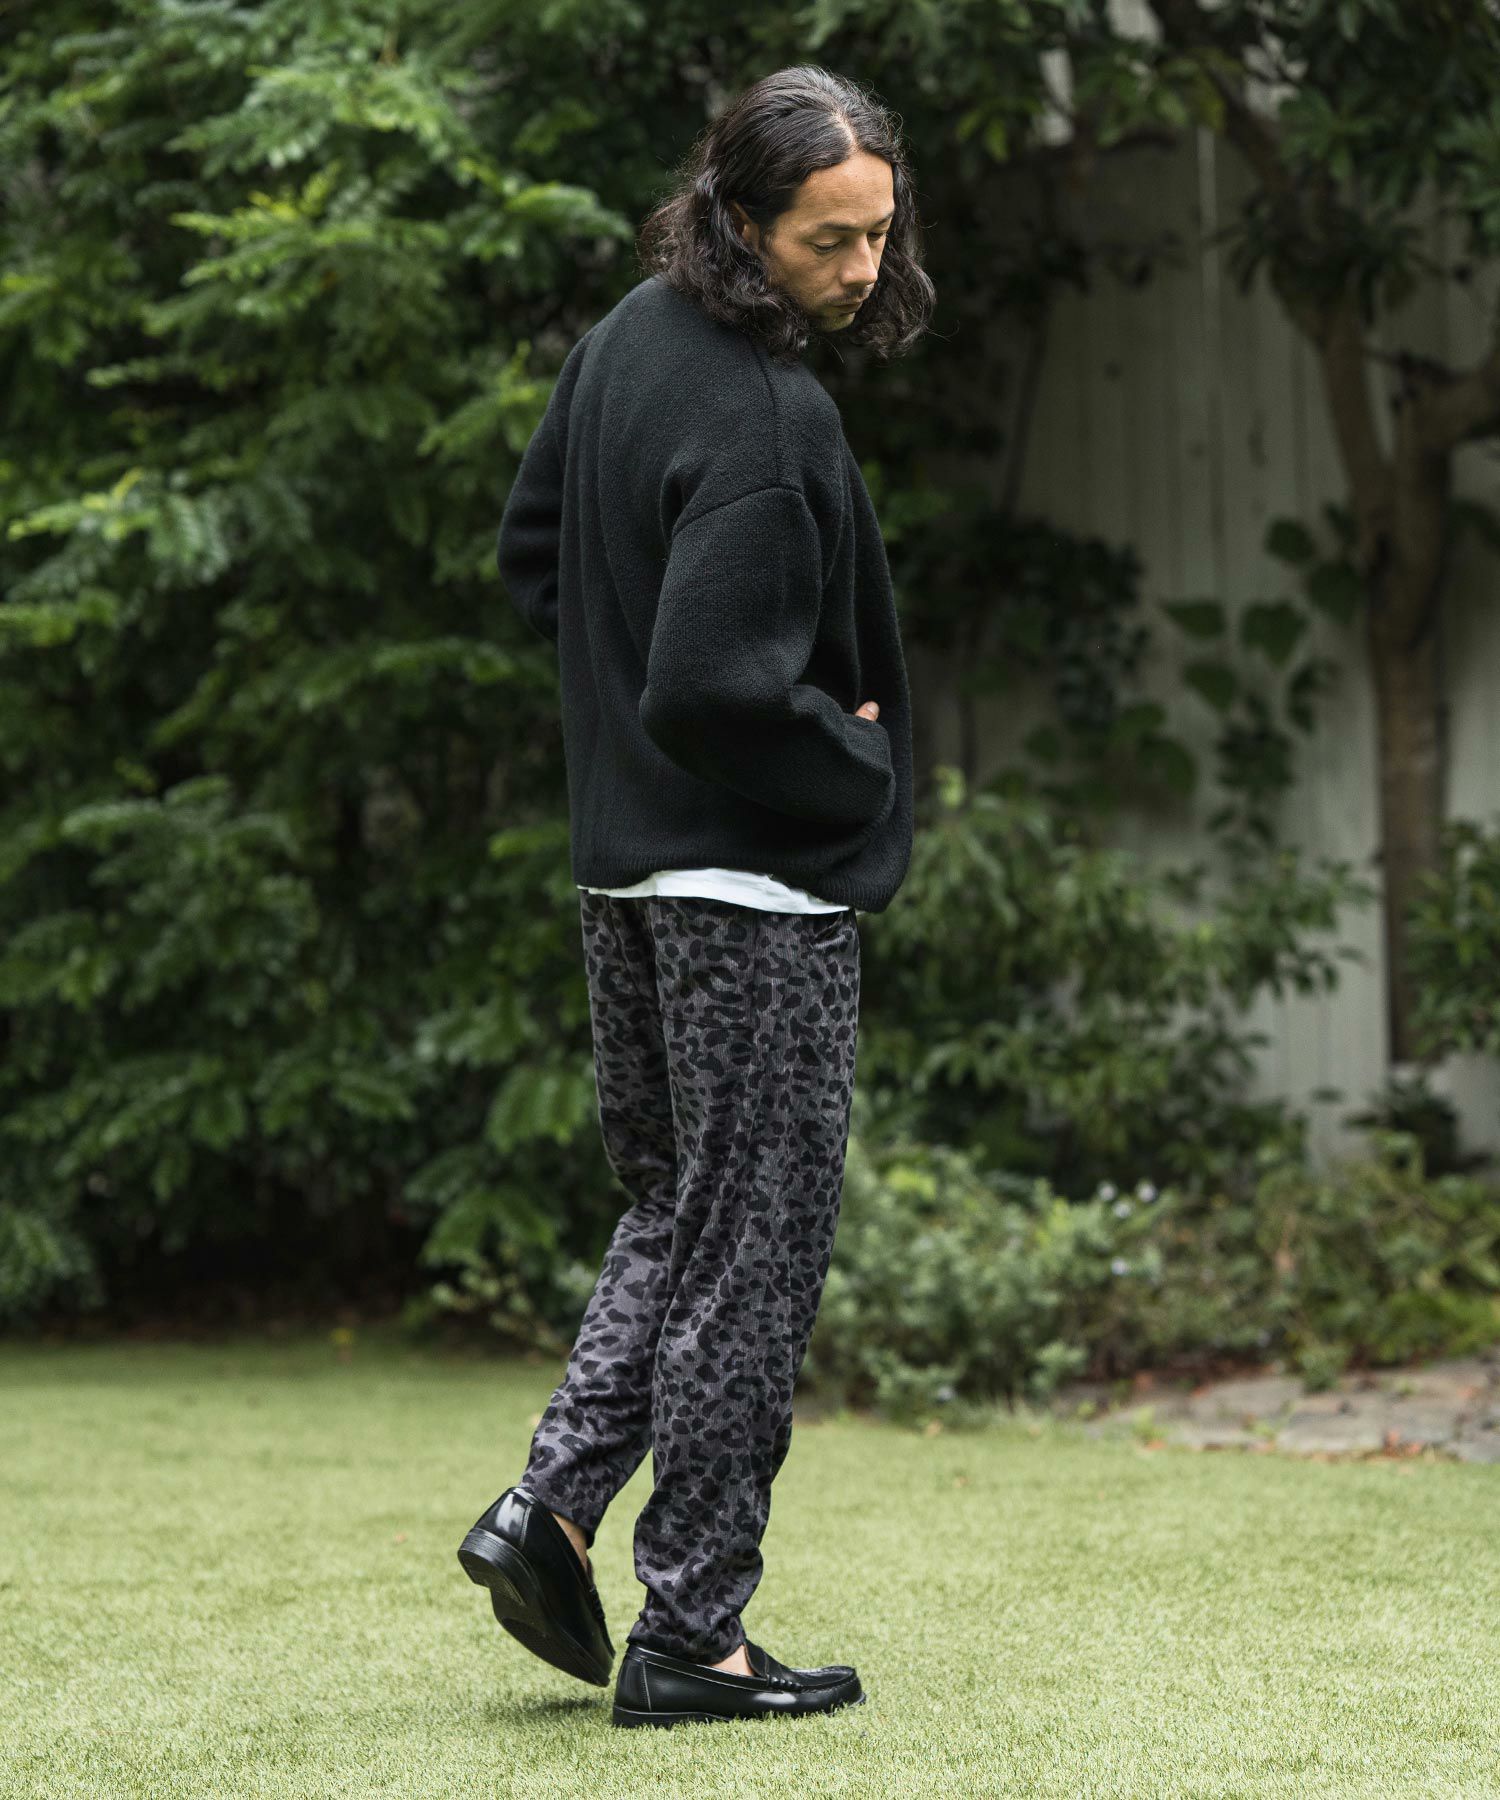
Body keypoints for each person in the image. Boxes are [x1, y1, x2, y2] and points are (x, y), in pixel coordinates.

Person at [458, 63, 934, 1730]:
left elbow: (535, 558)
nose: (863, 268)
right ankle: (695, 1635)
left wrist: (627, 726)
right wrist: (853, 755)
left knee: (679, 1216)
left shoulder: (623, 345)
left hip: (627, 879)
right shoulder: (764, 415)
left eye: (878, 234)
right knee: (755, 1259)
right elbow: (719, 687)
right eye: (827, 239)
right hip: (755, 896)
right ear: (740, 220)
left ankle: (552, 1509)